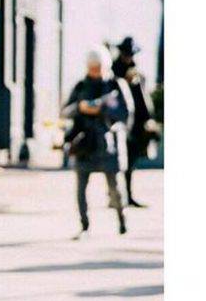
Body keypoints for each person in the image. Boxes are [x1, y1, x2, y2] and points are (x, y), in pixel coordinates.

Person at [62, 47, 130, 238]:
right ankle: (84, 226)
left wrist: (102, 110)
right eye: (91, 67)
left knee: (115, 188)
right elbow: (65, 111)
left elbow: (126, 113)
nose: (94, 71)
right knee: (81, 189)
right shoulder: (81, 86)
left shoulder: (115, 85)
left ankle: (122, 220)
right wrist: (80, 107)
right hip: (85, 145)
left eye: (98, 67)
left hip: (109, 145)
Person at [111, 36, 156, 207]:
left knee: (130, 161)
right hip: (119, 121)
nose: (129, 57)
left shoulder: (135, 71)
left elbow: (142, 98)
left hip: (135, 123)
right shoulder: (114, 71)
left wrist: (148, 118)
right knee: (116, 162)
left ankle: (127, 195)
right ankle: (115, 195)